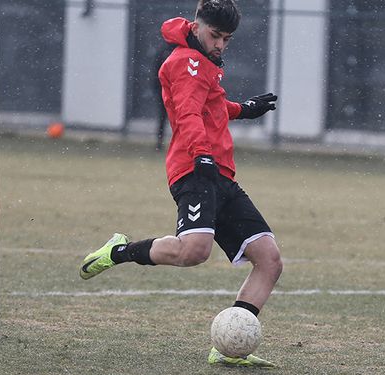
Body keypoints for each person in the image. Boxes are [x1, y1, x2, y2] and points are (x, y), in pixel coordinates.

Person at [79, 0, 282, 367]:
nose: (220, 45)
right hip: (194, 168)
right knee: (194, 252)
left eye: (227, 39)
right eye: (215, 35)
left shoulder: (204, 63)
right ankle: (118, 251)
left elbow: (211, 106)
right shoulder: (183, 62)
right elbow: (187, 114)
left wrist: (245, 109)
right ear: (196, 25)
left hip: (219, 171)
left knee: (269, 260)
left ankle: (228, 348)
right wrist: (202, 154)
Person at [153, 43, 175, 151]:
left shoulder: (164, 52)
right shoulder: (178, 52)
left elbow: (156, 72)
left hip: (165, 91)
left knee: (162, 118)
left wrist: (157, 89)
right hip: (172, 92)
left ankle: (159, 142)